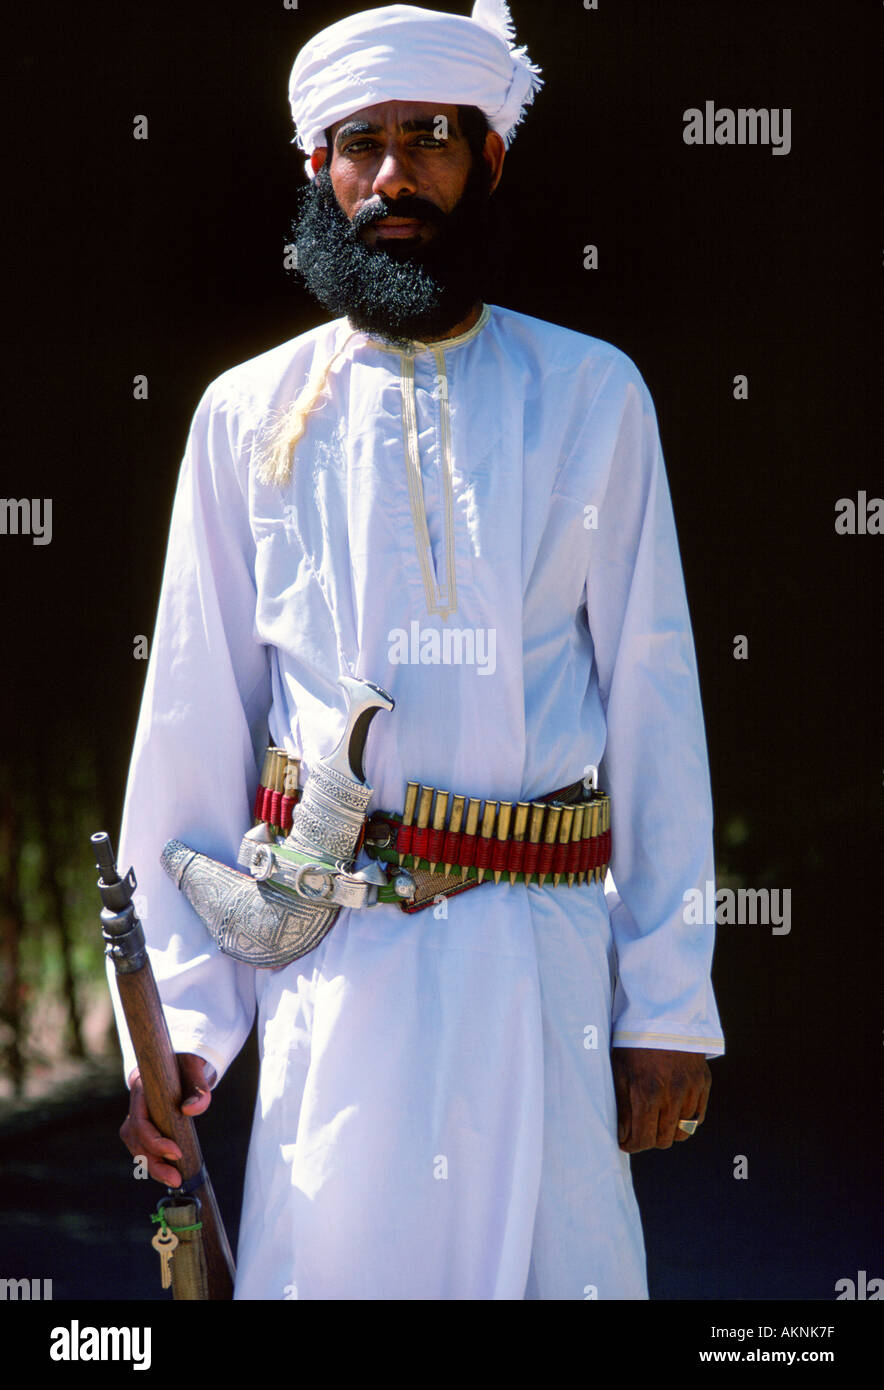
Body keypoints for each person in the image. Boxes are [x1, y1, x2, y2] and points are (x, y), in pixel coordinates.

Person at [114, 1, 724, 1300]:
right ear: (317, 173)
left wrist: (668, 999)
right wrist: (178, 1016)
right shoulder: (249, 415)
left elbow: (657, 701)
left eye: (430, 139)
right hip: (337, 973)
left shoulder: (594, 393)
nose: (395, 175)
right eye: (362, 144)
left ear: (486, 159)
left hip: (543, 966)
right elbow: (193, 716)